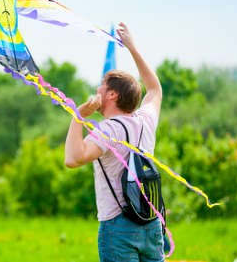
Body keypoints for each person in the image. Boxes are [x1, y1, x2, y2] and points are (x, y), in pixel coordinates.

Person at [64, 22, 164, 262]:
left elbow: (72, 159)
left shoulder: (107, 130)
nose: (97, 89)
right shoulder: (145, 120)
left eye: (102, 86)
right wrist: (132, 47)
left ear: (112, 95)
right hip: (151, 223)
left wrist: (78, 116)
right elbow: (155, 89)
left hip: (117, 227)